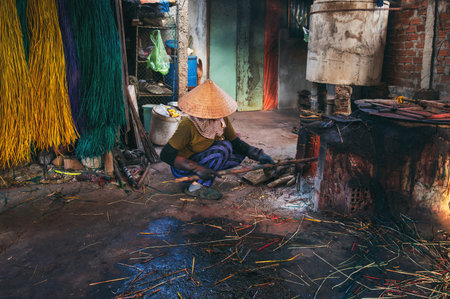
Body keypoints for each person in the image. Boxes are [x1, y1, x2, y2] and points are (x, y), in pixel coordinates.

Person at [160, 79, 274, 200]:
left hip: (206, 159)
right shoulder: (188, 125)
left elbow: (235, 142)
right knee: (223, 148)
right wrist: (197, 168)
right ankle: (195, 187)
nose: (215, 116)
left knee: (237, 152)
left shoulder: (221, 119)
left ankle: (208, 173)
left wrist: (259, 154)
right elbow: (166, 155)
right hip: (184, 168)